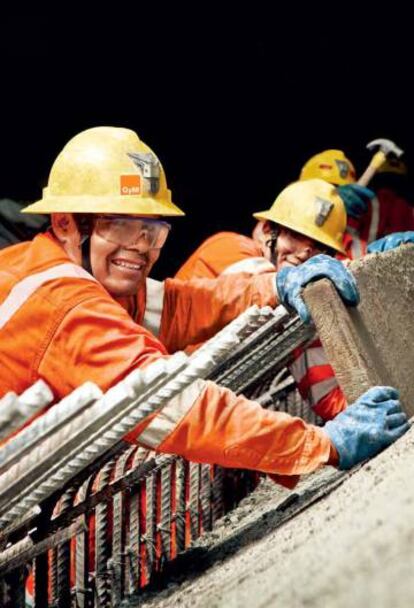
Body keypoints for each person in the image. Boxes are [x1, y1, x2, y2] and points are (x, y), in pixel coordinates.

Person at [0, 126, 408, 483]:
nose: (140, 247)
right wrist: (322, 444)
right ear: (65, 223)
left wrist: (280, 284)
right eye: (119, 224)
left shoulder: (57, 271)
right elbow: (175, 405)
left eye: (151, 230)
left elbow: (181, 306)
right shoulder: (62, 300)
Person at [300, 149, 414, 259]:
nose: (332, 201)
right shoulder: (287, 233)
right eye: (323, 191)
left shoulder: (355, 245)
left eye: (337, 191)